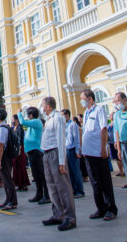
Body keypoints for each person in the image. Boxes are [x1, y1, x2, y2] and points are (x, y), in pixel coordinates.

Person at [80, 88, 118, 222]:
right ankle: (101, 208)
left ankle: (111, 209)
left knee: (104, 182)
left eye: (83, 98)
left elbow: (103, 129)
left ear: (90, 98)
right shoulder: (86, 113)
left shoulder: (99, 110)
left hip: (98, 152)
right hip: (88, 153)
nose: (81, 101)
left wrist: (103, 148)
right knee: (94, 182)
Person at [39, 96, 77, 231]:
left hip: (56, 154)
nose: (42, 108)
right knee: (52, 186)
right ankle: (58, 214)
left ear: (48, 107)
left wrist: (62, 162)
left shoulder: (58, 118)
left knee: (63, 187)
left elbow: (61, 140)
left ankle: (70, 217)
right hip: (47, 154)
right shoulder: (48, 120)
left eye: (43, 106)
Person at [19, 107, 48, 203]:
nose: (27, 116)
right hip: (31, 151)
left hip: (36, 151)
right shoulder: (33, 123)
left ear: (31, 115)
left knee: (40, 174)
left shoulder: (36, 121)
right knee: (35, 175)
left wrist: (19, 113)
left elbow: (23, 122)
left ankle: (47, 195)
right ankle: (39, 194)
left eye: (28, 114)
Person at [0, 108, 18, 210]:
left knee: (7, 179)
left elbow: (1, 145)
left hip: (3, 156)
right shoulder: (2, 127)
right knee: (5, 179)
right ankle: (8, 199)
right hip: (2, 155)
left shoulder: (2, 128)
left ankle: (12, 202)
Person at [63, 109, 85, 198]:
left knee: (76, 171)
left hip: (72, 149)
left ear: (67, 115)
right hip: (66, 149)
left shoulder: (73, 125)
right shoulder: (64, 126)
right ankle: (73, 190)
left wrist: (77, 151)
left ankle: (80, 190)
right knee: (70, 172)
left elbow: (76, 139)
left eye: (62, 115)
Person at [11, 114, 31, 193]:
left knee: (21, 166)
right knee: (16, 166)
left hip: (19, 148)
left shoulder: (20, 128)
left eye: (12, 119)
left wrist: (19, 149)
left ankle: (23, 184)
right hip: (15, 148)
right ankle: (18, 184)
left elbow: (20, 139)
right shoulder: (14, 128)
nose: (12, 121)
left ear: (16, 120)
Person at [75, 115, 89, 181]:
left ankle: (85, 176)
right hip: (79, 147)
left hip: (81, 147)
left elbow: (80, 138)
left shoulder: (79, 128)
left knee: (82, 162)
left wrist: (80, 147)